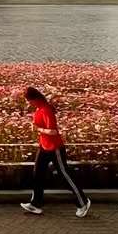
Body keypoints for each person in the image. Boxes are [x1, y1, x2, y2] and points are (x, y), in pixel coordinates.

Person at [20, 87, 91, 217]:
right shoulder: (39, 109)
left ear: (35, 99)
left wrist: (39, 129)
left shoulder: (46, 110)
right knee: (37, 174)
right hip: (44, 147)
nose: (29, 103)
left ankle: (83, 202)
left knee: (65, 175)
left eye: (29, 101)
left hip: (55, 148)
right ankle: (35, 204)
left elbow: (53, 131)